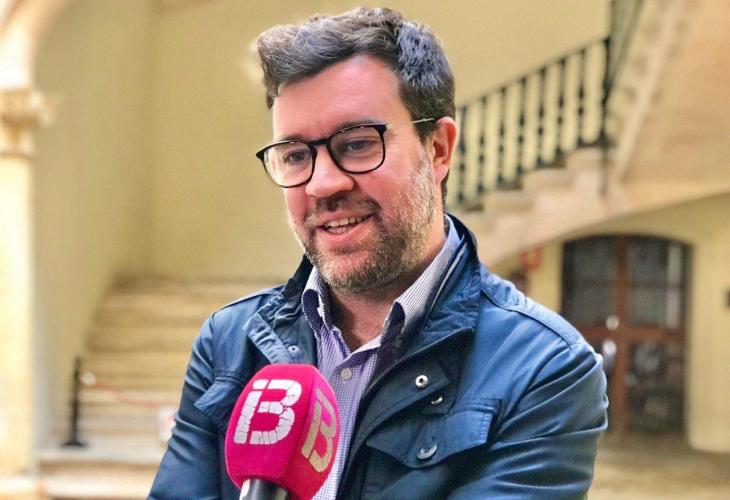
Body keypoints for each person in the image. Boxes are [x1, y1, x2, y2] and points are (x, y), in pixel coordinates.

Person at [150, 7, 607, 499]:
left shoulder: (544, 369)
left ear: (438, 149)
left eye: (357, 144)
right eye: (296, 155)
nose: (322, 184)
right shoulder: (229, 343)